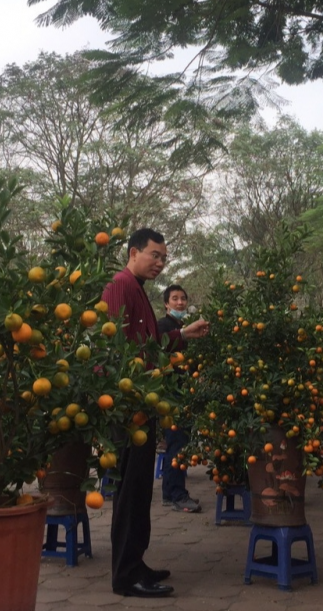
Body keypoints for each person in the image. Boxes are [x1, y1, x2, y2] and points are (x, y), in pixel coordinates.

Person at [102, 229, 210, 598]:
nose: (161, 263)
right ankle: (124, 576)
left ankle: (137, 564)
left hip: (143, 402)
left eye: (164, 257)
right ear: (134, 252)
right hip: (129, 404)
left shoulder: (137, 289)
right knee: (130, 491)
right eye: (155, 255)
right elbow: (119, 345)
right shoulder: (120, 285)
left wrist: (184, 335)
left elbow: (148, 343)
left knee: (139, 490)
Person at [156, 284, 201, 513]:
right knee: (177, 445)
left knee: (179, 444)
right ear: (166, 304)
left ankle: (171, 493)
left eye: (183, 298)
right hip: (172, 395)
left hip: (184, 393)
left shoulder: (182, 326)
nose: (180, 302)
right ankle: (175, 494)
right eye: (175, 298)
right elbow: (160, 345)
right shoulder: (164, 326)